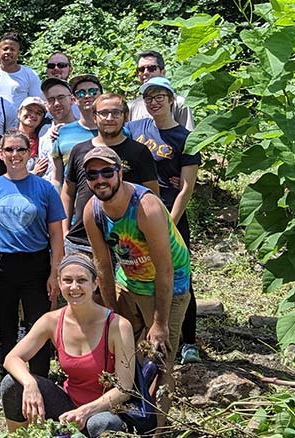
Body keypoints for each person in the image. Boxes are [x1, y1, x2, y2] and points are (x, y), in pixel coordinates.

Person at [81, 145, 192, 425]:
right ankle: (126, 418)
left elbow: (165, 269)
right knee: (124, 351)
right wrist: (111, 315)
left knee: (160, 357)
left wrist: (160, 323)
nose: (100, 179)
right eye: (93, 174)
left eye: (107, 171)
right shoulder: (92, 210)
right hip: (128, 281)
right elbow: (103, 265)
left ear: (120, 172)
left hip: (168, 285)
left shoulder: (146, 206)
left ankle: (158, 427)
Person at [0, 254, 149, 435]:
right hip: (67, 406)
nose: (74, 287)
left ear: (95, 284)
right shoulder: (51, 320)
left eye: (82, 280)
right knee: (11, 383)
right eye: (67, 280)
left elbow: (124, 388)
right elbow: (12, 358)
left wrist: (86, 411)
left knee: (103, 424)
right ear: (59, 283)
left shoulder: (118, 326)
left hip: (104, 410)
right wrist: (30, 384)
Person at [0, 131, 65, 378]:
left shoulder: (44, 189)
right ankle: (9, 384)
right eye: (9, 150)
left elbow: (56, 234)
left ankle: (40, 380)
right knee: (5, 328)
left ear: (29, 152)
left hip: (36, 265)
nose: (15, 155)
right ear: (1, 154)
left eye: (20, 150)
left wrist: (56, 272)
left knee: (39, 327)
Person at [125, 77, 202, 364]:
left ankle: (188, 340)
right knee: (139, 271)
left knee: (179, 275)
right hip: (137, 215)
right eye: (148, 97)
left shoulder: (186, 138)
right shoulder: (135, 128)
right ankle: (145, 335)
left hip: (171, 215)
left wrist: (168, 223)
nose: (154, 102)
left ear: (171, 99)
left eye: (159, 96)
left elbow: (186, 188)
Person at [61, 94, 159, 258]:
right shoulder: (79, 150)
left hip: (126, 242)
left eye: (115, 113)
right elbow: (68, 192)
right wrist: (65, 231)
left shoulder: (139, 152)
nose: (109, 118)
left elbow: (152, 196)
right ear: (94, 116)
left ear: (125, 116)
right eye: (103, 113)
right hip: (81, 241)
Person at [49, 75, 102, 188]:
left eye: (93, 92)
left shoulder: (118, 131)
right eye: (81, 93)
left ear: (101, 95)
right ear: (74, 99)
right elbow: (57, 179)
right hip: (75, 202)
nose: (87, 96)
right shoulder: (62, 133)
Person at [128, 50, 195, 130]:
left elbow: (187, 136)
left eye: (151, 68)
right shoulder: (132, 106)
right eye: (141, 69)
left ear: (163, 72)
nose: (145, 73)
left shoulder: (179, 104)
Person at [0, 32, 43, 107]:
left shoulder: (30, 75)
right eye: (5, 49)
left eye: (12, 49)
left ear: (19, 53)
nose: (8, 52)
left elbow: (37, 103)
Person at [14, 97, 49, 178]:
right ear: (19, 112)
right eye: (29, 110)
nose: (33, 115)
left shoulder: (43, 140)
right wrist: (32, 173)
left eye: (38, 113)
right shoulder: (8, 139)